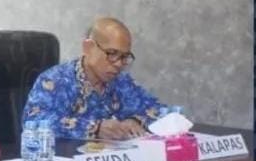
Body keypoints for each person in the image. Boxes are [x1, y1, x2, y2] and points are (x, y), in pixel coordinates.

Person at [22, 17, 168, 140]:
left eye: (124, 56)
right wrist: (94, 128)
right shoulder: (55, 81)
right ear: (88, 48)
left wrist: (135, 120)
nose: (119, 64)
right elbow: (34, 122)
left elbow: (161, 110)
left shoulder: (121, 81)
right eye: (112, 53)